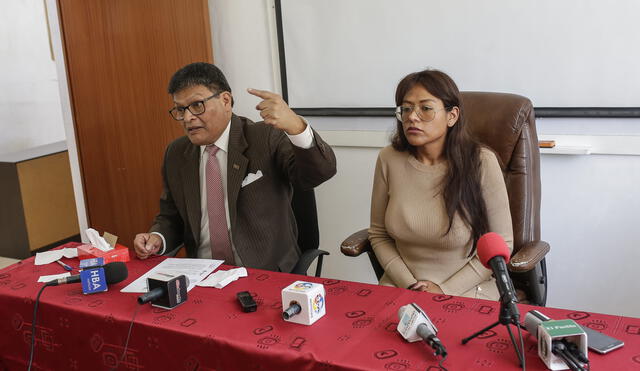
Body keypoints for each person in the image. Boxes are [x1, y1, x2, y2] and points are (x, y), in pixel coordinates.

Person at [133, 62, 336, 273]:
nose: (187, 118)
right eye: (180, 109)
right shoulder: (176, 153)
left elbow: (319, 173)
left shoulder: (264, 138)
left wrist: (297, 127)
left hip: (264, 273)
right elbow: (171, 217)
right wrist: (158, 237)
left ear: (225, 100)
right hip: (202, 275)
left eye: (196, 105)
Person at [368, 69, 513, 300]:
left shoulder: (481, 161)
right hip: (400, 287)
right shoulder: (389, 159)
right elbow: (378, 234)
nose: (412, 117)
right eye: (406, 109)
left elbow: (502, 243)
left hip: (466, 293)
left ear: (452, 116)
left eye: (425, 109)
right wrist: (411, 285)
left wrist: (444, 291)